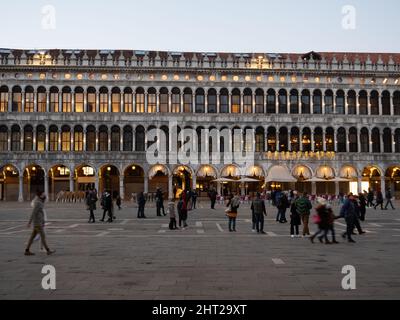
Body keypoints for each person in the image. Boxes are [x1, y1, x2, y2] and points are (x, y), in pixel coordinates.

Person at [25, 190, 55, 256]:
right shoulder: (37, 202)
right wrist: (29, 222)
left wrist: (43, 221)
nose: (45, 194)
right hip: (37, 223)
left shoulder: (40, 201)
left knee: (32, 237)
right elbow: (34, 213)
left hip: (39, 222)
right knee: (43, 236)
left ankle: (27, 250)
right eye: (43, 193)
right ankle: (48, 250)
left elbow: (41, 213)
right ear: (40, 195)